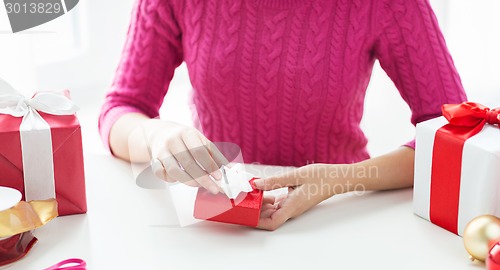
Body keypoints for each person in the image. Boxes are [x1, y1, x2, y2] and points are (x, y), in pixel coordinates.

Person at [99, 0, 466, 230]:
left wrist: (341, 179)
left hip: (341, 219)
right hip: (225, 229)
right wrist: (157, 135)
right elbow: (120, 110)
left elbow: (457, 134)